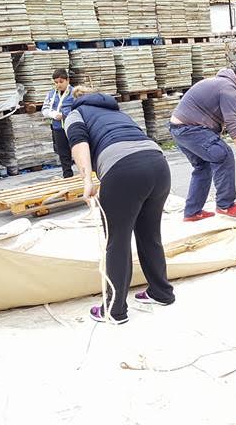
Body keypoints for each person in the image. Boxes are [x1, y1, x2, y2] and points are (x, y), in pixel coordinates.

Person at [65, 86, 175, 323]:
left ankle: (114, 309)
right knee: (150, 235)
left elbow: (79, 144)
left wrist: (87, 180)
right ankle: (161, 292)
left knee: (117, 240)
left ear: (77, 99)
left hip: (123, 170)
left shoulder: (76, 113)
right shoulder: (117, 112)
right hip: (158, 164)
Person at [169, 61, 236, 221]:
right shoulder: (228, 88)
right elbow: (233, 124)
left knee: (203, 167)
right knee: (223, 155)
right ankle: (225, 205)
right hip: (190, 129)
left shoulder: (219, 83)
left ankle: (192, 212)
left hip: (178, 129)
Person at [41, 68, 75, 178]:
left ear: (67, 80)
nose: (58, 85)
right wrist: (53, 114)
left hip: (73, 127)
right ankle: (68, 176)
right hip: (58, 128)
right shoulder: (51, 94)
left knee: (78, 151)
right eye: (56, 82)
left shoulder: (74, 93)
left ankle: (85, 173)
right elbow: (45, 109)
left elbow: (79, 108)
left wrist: (64, 115)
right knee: (63, 154)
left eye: (61, 82)